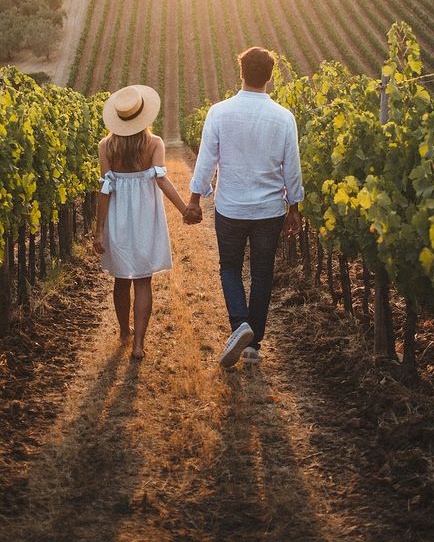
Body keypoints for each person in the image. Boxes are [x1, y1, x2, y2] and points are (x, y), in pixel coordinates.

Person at [185, 47, 303, 368]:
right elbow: (291, 168)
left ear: (241, 73)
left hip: (231, 207)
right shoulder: (283, 117)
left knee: (230, 267)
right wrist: (295, 208)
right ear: (270, 77)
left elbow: (207, 159)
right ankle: (253, 346)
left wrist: (196, 199)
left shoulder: (219, 112)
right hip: (269, 211)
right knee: (263, 273)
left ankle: (240, 325)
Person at [93, 84, 196, 359]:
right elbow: (162, 180)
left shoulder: (106, 146)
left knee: (120, 280)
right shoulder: (154, 143)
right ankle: (138, 344)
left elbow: (105, 190)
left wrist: (99, 230)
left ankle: (124, 332)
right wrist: (185, 208)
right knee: (143, 281)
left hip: (118, 218)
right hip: (146, 218)